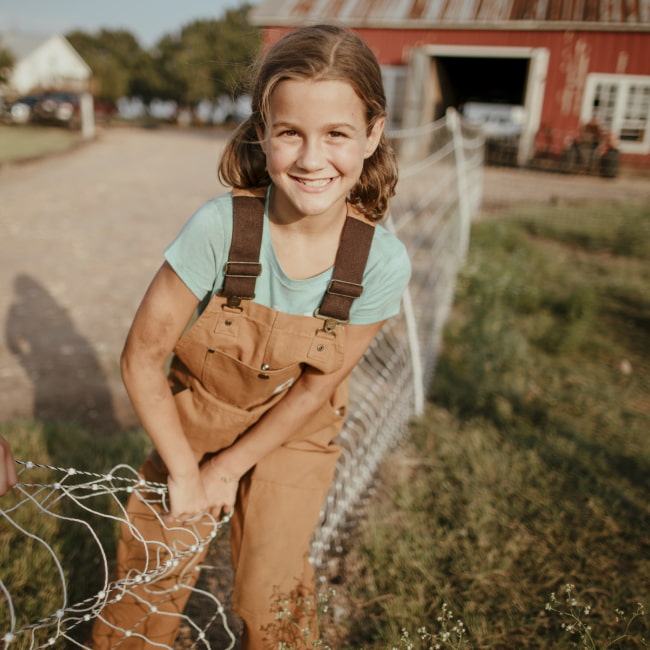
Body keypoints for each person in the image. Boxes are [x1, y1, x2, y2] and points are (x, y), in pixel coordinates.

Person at [91, 23, 411, 650]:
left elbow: (320, 386)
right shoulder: (219, 229)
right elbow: (141, 358)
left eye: (337, 134)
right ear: (262, 132)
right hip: (195, 420)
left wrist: (232, 469)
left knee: (271, 593)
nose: (312, 159)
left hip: (297, 428)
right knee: (148, 574)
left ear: (372, 135)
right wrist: (188, 471)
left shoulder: (380, 262)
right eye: (290, 132)